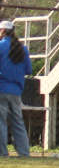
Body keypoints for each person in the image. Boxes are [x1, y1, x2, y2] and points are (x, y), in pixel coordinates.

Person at [0, 19, 32, 158]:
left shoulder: (0, 46)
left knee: (1, 121)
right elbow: (28, 70)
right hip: (16, 90)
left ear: (2, 31)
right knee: (18, 121)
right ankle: (24, 152)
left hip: (1, 88)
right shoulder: (22, 48)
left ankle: (2, 152)